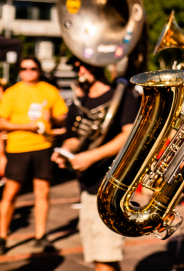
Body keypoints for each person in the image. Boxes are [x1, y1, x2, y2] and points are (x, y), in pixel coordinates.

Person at [51, 59, 141, 271]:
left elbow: (129, 135)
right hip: (87, 187)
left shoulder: (122, 97)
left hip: (112, 185)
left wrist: (91, 156)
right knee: (100, 257)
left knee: (105, 258)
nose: (81, 70)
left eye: (86, 64)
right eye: (77, 66)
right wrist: (66, 152)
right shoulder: (79, 103)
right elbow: (73, 137)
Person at [0, 56, 68, 253]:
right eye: (24, 68)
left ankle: (40, 235)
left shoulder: (49, 90)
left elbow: (62, 118)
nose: (28, 71)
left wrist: (54, 119)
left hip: (43, 146)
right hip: (18, 148)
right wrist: (25, 126)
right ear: (19, 71)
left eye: (32, 68)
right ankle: (2, 236)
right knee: (11, 192)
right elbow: (1, 122)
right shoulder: (12, 92)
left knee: (43, 192)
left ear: (39, 70)